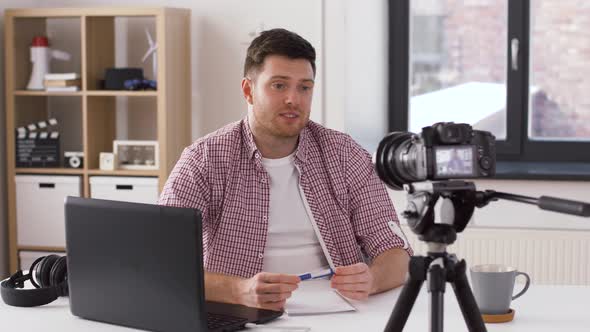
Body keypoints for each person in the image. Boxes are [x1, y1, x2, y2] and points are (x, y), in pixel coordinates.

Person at [158, 28, 412, 311]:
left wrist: (373, 279)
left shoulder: (343, 153)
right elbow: (163, 261)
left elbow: (395, 250)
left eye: (304, 87)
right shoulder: (204, 159)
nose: (294, 99)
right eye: (279, 85)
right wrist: (239, 290)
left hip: (341, 310)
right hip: (241, 311)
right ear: (248, 90)